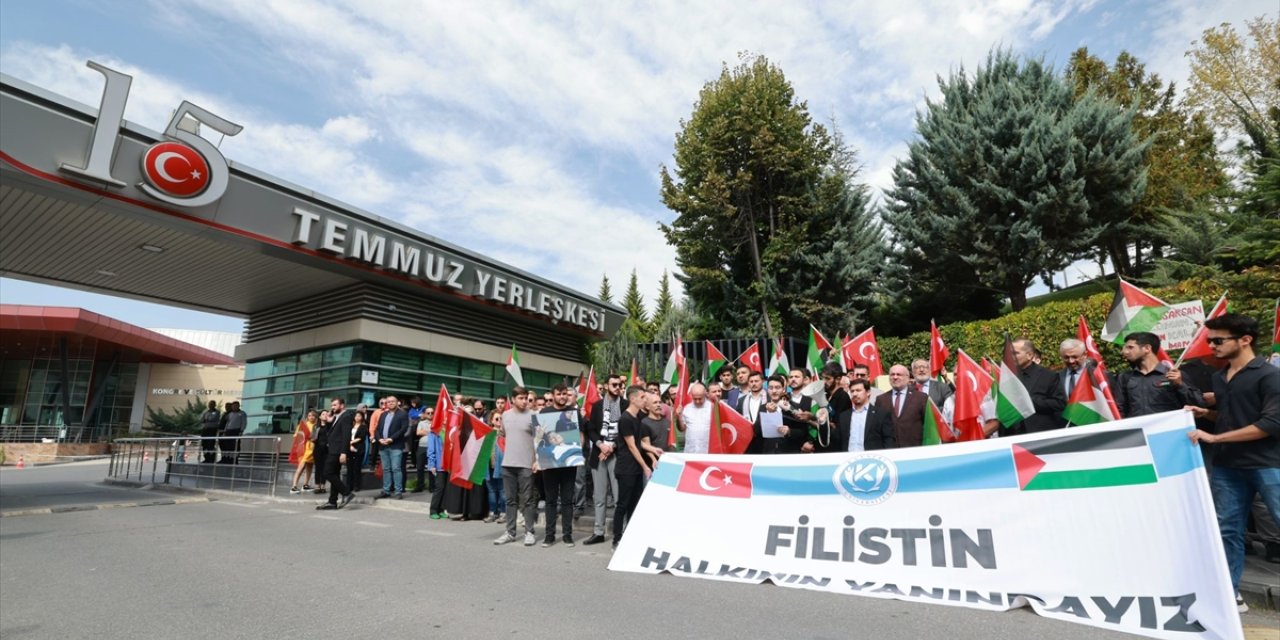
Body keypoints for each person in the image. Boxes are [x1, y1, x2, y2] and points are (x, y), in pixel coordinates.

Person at [1186, 314, 1280, 613]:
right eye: (1208, 340)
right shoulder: (1219, 377)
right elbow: (1231, 416)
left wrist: (1215, 438)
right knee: (1227, 530)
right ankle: (1231, 593)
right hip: (1228, 467)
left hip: (1268, 464)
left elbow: (1270, 424)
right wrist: (1206, 415)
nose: (1210, 345)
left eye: (1217, 340)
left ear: (1245, 340)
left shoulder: (1270, 375)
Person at [613, 385, 661, 550]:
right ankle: (616, 539)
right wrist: (645, 466)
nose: (644, 400)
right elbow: (632, 446)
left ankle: (629, 535)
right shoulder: (625, 419)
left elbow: (640, 442)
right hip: (626, 468)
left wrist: (653, 449)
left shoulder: (638, 418)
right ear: (632, 399)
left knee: (634, 504)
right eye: (642, 397)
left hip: (635, 469)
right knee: (623, 504)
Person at [1115, 332, 1204, 418]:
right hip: (1139, 431)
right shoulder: (1124, 378)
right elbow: (1119, 410)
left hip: (1170, 431)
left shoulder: (1174, 374)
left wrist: (1180, 385)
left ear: (1147, 348)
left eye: (1130, 347)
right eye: (1124, 348)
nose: (1124, 352)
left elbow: (1198, 404)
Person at [582, 374, 626, 546]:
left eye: (620, 384)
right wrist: (601, 445)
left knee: (618, 497)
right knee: (599, 497)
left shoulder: (625, 405)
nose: (617, 387)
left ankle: (620, 532)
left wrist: (612, 446)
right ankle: (598, 532)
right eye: (614, 384)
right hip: (599, 454)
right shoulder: (597, 405)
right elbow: (591, 429)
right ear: (607, 386)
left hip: (617, 454)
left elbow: (626, 431)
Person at [537, 384, 582, 547]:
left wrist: (578, 452)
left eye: (565, 394)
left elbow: (580, 435)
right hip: (549, 462)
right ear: (553, 395)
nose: (562, 396)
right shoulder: (544, 412)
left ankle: (567, 535)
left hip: (570, 462)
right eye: (559, 394)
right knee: (550, 500)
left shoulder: (574, 412)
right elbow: (539, 437)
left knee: (567, 500)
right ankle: (549, 535)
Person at [495, 388, 539, 546]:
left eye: (526, 398)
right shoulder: (505, 415)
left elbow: (540, 440)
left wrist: (537, 460)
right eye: (521, 398)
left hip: (526, 464)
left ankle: (529, 532)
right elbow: (502, 435)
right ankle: (510, 532)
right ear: (513, 399)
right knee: (510, 500)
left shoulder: (534, 416)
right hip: (508, 464)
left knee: (527, 500)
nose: (525, 401)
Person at [1004, 339, 1066, 435]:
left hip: (1039, 435)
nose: (1011, 357)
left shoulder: (1048, 376)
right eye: (1010, 353)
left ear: (1029, 355)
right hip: (1011, 435)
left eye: (1015, 353)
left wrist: (1029, 402)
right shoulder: (1006, 376)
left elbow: (1059, 403)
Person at [443, 400, 490, 521]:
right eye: (465, 413)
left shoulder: (478, 428)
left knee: (473, 489)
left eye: (470, 413)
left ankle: (474, 512)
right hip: (460, 464)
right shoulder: (457, 429)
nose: (468, 415)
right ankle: (461, 511)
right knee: (461, 488)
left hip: (473, 463)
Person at [833, 379, 896, 452]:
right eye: (852, 391)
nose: (855, 394)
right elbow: (838, 440)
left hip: (872, 459)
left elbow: (889, 440)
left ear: (868, 392)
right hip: (849, 459)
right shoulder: (844, 416)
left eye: (858, 390)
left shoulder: (881, 414)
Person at [874, 365, 927, 447]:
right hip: (890, 449)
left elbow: (927, 424)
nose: (895, 377)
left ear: (907, 378)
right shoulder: (881, 399)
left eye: (899, 374)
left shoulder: (921, 398)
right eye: (892, 374)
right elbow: (877, 427)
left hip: (914, 449)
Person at [318, 397, 356, 510]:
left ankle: (346, 492)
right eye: (332, 405)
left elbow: (346, 436)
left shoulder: (346, 417)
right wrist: (329, 422)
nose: (332, 407)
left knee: (327, 473)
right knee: (334, 474)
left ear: (342, 405)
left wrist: (344, 452)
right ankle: (332, 502)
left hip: (338, 451)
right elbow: (331, 433)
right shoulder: (336, 417)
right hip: (334, 450)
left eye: (335, 405)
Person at [371, 395, 409, 499]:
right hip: (383, 445)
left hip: (395, 445)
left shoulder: (402, 414)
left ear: (397, 403)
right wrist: (379, 439)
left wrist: (391, 439)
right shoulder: (383, 414)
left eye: (393, 401)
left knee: (396, 468)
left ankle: (398, 491)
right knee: (386, 469)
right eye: (388, 402)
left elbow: (403, 429)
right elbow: (377, 429)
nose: (390, 403)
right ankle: (386, 490)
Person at [484, 410, 507, 524]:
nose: (499, 421)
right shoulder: (487, 434)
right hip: (489, 467)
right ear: (491, 421)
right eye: (496, 419)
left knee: (503, 491)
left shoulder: (506, 434)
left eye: (501, 418)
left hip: (502, 466)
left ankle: (503, 513)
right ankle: (493, 512)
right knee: (491, 491)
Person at [677, 382, 712, 454]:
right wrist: (679, 417)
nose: (697, 401)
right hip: (690, 450)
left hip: (708, 450)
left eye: (700, 398)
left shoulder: (712, 407)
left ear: (705, 394)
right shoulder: (687, 408)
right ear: (692, 396)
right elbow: (682, 429)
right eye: (695, 399)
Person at [289, 410, 317, 493]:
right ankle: (294, 486)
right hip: (305, 449)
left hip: (313, 449)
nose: (311, 417)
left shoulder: (316, 426)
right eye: (309, 415)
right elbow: (297, 436)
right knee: (301, 467)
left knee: (310, 467)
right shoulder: (303, 425)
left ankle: (306, 485)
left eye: (313, 415)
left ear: (316, 417)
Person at [641, 390, 672, 464]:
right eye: (655, 403)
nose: (658, 405)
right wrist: (653, 460)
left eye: (660, 402)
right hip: (653, 463)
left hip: (669, 461)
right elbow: (646, 446)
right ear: (647, 407)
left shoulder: (667, 422)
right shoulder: (644, 423)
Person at [412, 406, 433, 493]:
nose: (430, 414)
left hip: (432, 447)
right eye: (428, 413)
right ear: (425, 414)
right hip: (422, 447)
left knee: (431, 467)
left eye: (432, 413)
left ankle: (432, 486)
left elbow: (438, 432)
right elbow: (418, 432)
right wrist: (431, 432)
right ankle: (420, 486)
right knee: (420, 467)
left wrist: (425, 431)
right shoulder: (421, 423)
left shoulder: (437, 422)